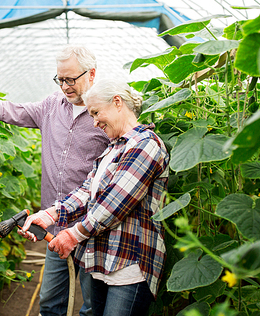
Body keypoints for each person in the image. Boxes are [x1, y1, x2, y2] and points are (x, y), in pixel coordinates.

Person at [0, 45, 110, 316]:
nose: (65, 86)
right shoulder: (49, 107)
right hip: (55, 225)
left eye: (71, 79)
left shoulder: (103, 113)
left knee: (93, 306)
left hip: (93, 228)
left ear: (91, 74)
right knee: (50, 302)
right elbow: (9, 110)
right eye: (60, 79)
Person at [22, 78, 169, 316]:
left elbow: (114, 203)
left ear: (118, 102)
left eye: (96, 112)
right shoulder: (112, 149)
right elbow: (86, 192)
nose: (94, 122)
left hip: (129, 266)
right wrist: (50, 214)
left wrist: (72, 234)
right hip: (101, 262)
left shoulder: (146, 145)